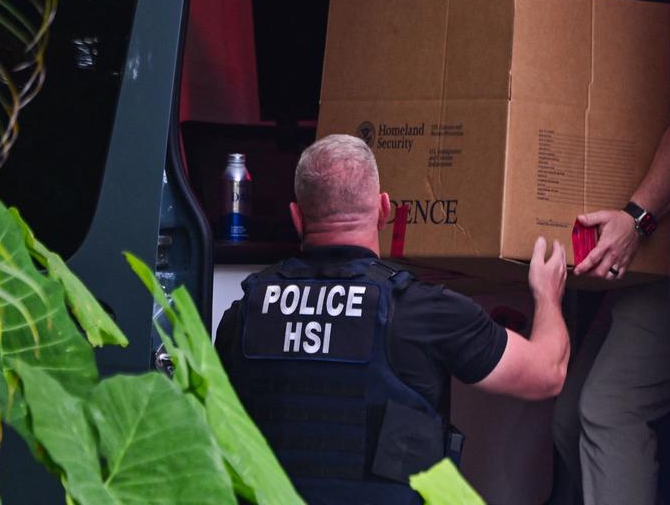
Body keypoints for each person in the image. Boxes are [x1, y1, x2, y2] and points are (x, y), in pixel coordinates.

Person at [478, 0, 670, 505]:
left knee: (606, 410)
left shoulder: (655, 22)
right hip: (619, 278)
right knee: (570, 416)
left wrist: (637, 219)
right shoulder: (562, 37)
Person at [215, 133, 570, 505]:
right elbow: (547, 374)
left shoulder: (246, 312)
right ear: (385, 210)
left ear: (296, 217)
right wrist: (548, 296)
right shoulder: (423, 310)